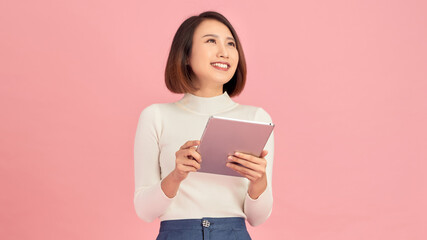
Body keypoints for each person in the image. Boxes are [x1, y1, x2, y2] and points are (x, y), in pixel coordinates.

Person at [133, 11, 274, 240]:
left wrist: (259, 181)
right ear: (185, 55)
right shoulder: (155, 116)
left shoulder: (256, 117)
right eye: (211, 41)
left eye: (231, 44)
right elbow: (145, 211)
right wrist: (176, 175)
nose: (224, 52)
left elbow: (257, 218)